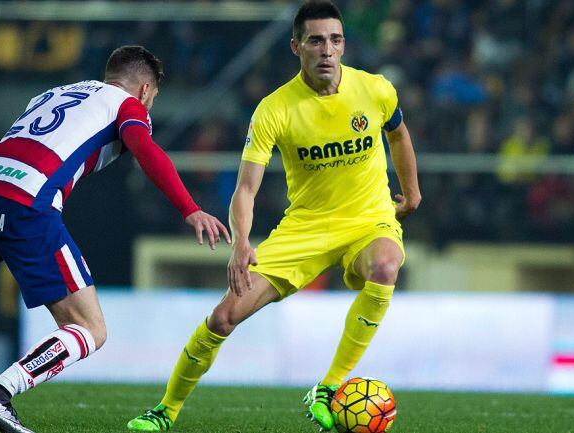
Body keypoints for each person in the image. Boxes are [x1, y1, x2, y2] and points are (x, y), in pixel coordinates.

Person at [0, 45, 230, 432]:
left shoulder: (51, 95)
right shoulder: (127, 105)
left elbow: (8, 160)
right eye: (153, 96)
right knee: (90, 328)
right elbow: (146, 150)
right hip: (27, 199)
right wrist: (190, 208)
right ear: (144, 90)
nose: (150, 103)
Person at [127, 1, 421, 431]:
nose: (327, 50)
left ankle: (329, 386)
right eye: (316, 41)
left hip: (368, 220)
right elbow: (246, 188)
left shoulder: (376, 90)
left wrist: (412, 193)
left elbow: (399, 136)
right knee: (223, 318)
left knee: (386, 265)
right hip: (306, 228)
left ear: (344, 45)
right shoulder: (274, 109)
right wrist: (241, 244)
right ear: (296, 46)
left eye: (335, 40)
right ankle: (165, 410)